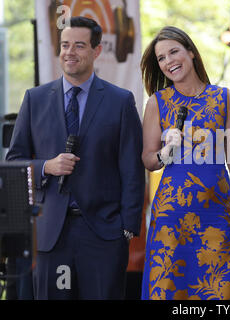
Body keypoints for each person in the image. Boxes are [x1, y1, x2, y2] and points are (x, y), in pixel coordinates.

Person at [6, 16, 144, 299]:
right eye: (65, 45)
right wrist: (46, 166)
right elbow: (14, 162)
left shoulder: (121, 101)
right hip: (51, 234)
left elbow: (131, 168)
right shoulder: (35, 99)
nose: (69, 52)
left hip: (104, 234)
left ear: (96, 51)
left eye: (79, 46)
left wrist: (127, 229)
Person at [140, 26, 230, 300]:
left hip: (216, 213)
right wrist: (166, 152)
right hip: (171, 215)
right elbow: (148, 159)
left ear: (191, 53)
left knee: (218, 292)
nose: (168, 62)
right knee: (169, 290)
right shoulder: (157, 102)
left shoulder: (225, 98)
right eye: (161, 58)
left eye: (173, 52)